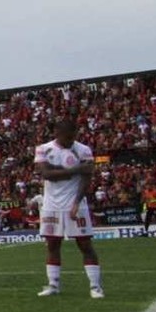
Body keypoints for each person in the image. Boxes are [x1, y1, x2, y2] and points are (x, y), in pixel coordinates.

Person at [34, 118, 104, 298]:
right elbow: (47, 174)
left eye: (73, 137)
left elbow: (86, 178)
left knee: (85, 244)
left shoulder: (84, 150)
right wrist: (76, 169)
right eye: (67, 138)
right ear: (57, 133)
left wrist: (77, 202)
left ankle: (95, 286)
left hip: (75, 204)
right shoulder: (43, 149)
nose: (70, 141)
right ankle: (53, 285)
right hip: (51, 205)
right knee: (52, 244)